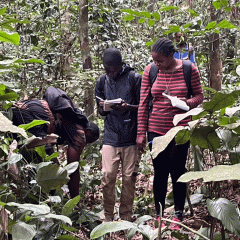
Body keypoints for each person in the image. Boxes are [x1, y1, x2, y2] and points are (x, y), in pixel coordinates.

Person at [136, 38, 203, 224]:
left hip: (180, 130)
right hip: (155, 130)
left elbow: (199, 96)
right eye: (154, 60)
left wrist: (185, 103)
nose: (157, 64)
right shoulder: (151, 70)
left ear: (171, 56)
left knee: (178, 171)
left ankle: (178, 215)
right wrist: (141, 133)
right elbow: (143, 103)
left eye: (160, 61)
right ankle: (159, 214)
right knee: (160, 171)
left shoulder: (189, 69)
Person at [12, 86, 99, 199]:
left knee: (25, 159)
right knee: (53, 171)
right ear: (87, 132)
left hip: (20, 110)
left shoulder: (72, 118)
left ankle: (27, 195)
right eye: (88, 140)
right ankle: (45, 201)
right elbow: (74, 169)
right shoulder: (80, 133)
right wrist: (75, 200)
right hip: (30, 117)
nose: (85, 144)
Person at [95, 48, 142, 221]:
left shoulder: (134, 78)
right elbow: (100, 109)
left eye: (112, 70)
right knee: (107, 176)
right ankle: (108, 216)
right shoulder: (102, 81)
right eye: (106, 70)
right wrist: (103, 108)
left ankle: (126, 217)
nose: (110, 73)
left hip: (130, 136)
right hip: (111, 135)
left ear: (120, 65)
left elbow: (145, 107)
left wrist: (128, 107)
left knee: (129, 179)